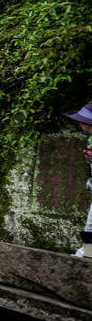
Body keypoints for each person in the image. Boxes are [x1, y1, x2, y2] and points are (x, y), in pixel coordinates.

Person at [64, 103, 92, 258]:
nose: (79, 123)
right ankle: (85, 256)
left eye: (82, 120)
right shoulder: (91, 139)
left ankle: (84, 258)